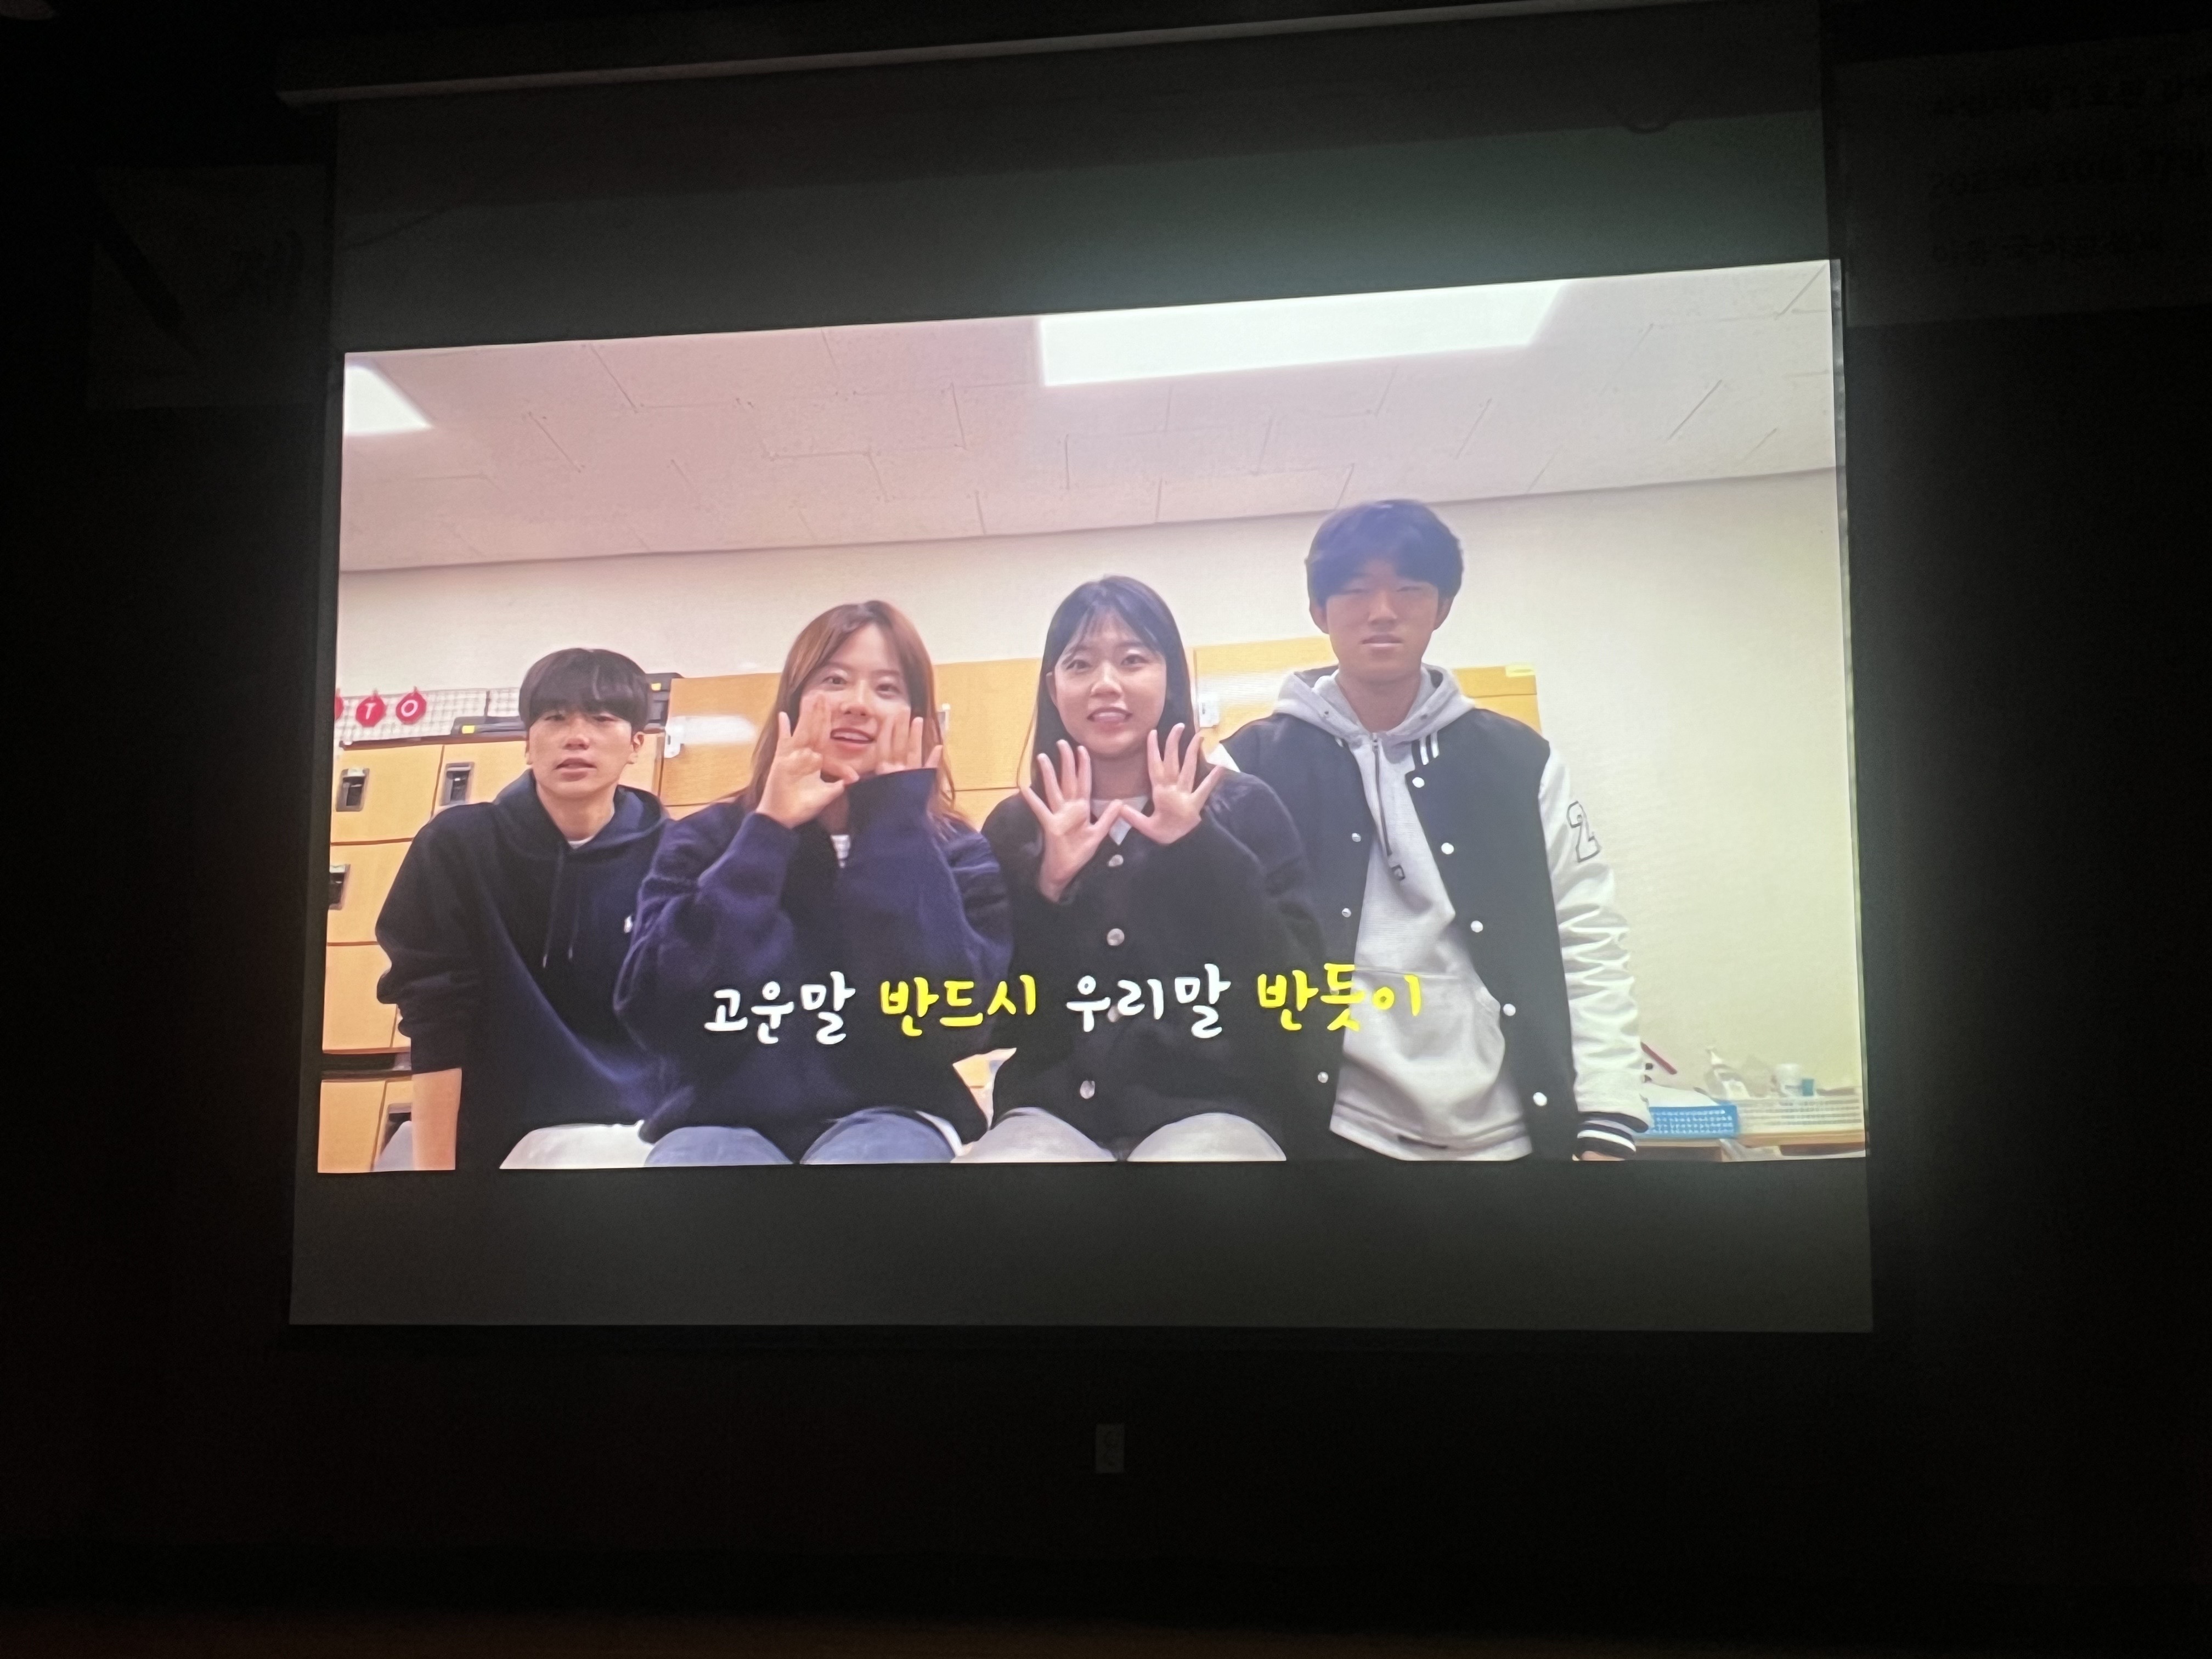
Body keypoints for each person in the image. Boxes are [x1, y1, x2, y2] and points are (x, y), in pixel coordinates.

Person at [1223, 500, 1647, 1162]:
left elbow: (1586, 932)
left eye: (1409, 589)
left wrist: (1609, 1108)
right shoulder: (1247, 767)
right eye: (1355, 591)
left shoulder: (1520, 763)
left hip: (1511, 1133)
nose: (1382, 611)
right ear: (1319, 610)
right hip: (1329, 1131)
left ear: (1443, 606)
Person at [615, 602, 1010, 1164]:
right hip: (719, 1117)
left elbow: (956, 1022)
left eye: (887, 688)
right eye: (834, 680)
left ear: (920, 718)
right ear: (794, 701)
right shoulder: (707, 838)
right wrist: (767, 832)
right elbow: (656, 1011)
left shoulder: (956, 850)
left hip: (894, 1112)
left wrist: (894, 826)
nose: (857, 704)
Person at [967, 577, 1325, 1162]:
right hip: (1051, 1116)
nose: (1106, 684)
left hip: (1213, 1112)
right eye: (1080, 664)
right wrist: (1046, 889)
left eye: (1133, 659)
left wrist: (1201, 849)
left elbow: (1296, 993)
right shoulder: (1018, 825)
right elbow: (991, 1019)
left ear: (1170, 677)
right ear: (1054, 688)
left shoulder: (1244, 809)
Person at [375, 647, 669, 1171]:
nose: (576, 737)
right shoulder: (457, 847)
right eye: (554, 718)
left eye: (602, 719)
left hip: (645, 1135)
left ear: (636, 745)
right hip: (502, 1141)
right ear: (527, 744)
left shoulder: (675, 856)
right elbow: (436, 1018)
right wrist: (435, 1182)